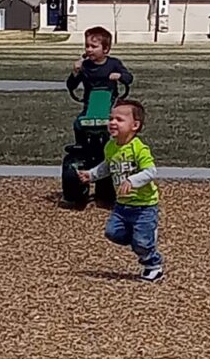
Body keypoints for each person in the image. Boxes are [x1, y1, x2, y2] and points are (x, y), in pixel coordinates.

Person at [78, 99, 164, 283]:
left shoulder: (139, 148)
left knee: (142, 242)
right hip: (122, 205)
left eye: (119, 119)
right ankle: (142, 239)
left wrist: (132, 180)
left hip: (144, 206)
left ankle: (153, 265)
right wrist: (91, 175)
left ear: (135, 125)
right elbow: (107, 166)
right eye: (111, 118)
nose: (112, 123)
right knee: (112, 233)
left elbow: (151, 172)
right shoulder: (110, 146)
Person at [66, 26, 133, 143]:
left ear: (105, 49)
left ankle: (116, 143)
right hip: (90, 106)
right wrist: (75, 73)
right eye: (87, 46)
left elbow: (129, 78)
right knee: (78, 124)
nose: (89, 49)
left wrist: (120, 76)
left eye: (94, 46)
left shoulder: (113, 64)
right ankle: (81, 146)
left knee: (115, 124)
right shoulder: (85, 66)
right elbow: (71, 86)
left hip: (110, 105)